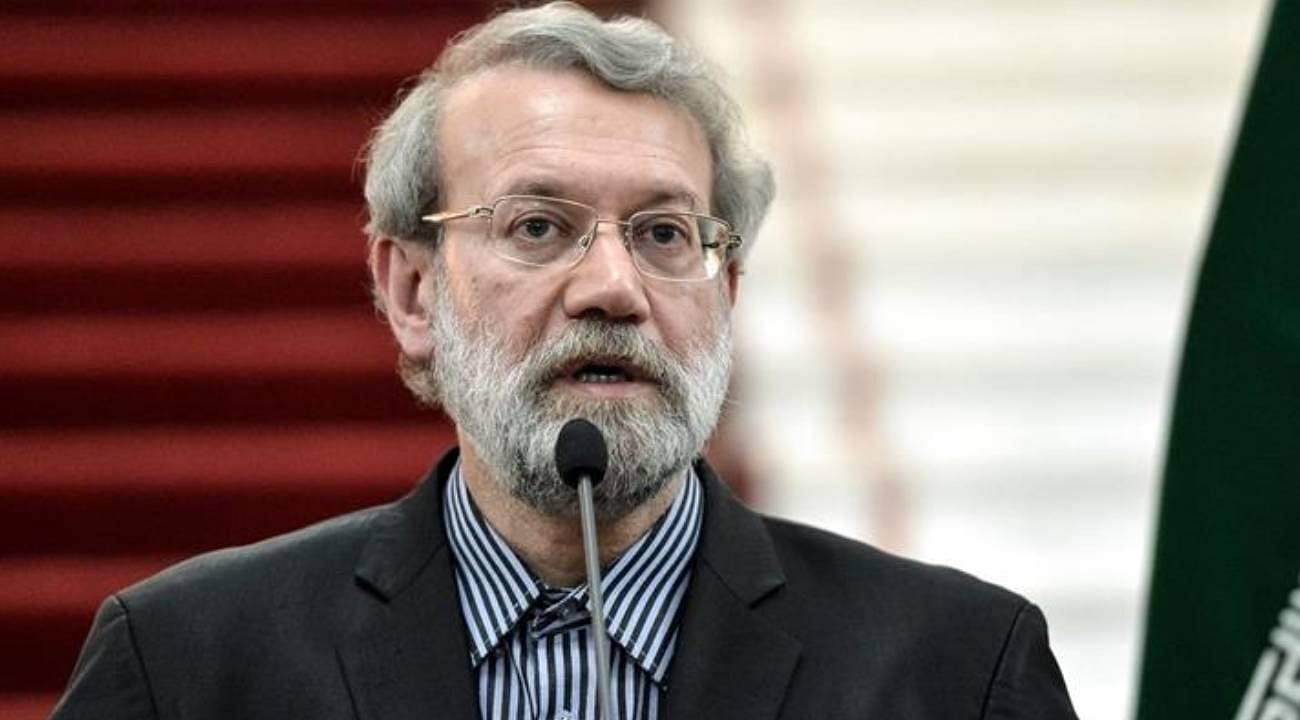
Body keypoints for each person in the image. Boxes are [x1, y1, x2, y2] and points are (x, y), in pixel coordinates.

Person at [52, 3, 1077, 718]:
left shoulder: (955, 669)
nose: (613, 288)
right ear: (412, 292)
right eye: (539, 227)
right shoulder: (190, 664)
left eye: (665, 234)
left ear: (726, 293)